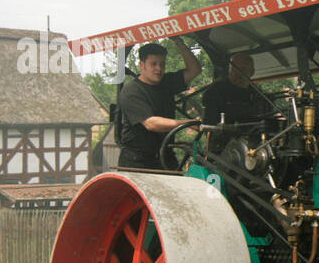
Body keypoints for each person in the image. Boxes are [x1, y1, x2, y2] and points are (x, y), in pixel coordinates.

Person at [116, 37, 203, 170]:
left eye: (162, 64)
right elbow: (152, 123)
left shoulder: (167, 82)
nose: (159, 69)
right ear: (142, 65)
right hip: (138, 162)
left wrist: (179, 42)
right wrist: (187, 123)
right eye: (154, 64)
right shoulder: (131, 91)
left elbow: (195, 70)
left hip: (165, 156)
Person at [202, 53, 273, 126]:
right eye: (234, 68)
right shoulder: (215, 91)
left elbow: (267, 123)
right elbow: (209, 123)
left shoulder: (259, 95)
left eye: (243, 68)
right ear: (229, 70)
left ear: (252, 72)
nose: (237, 72)